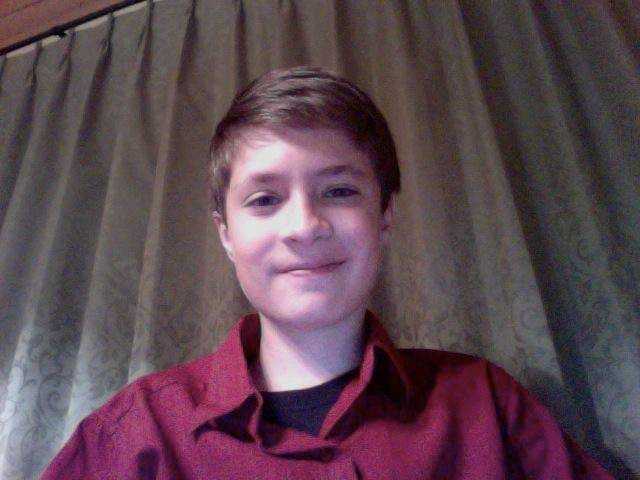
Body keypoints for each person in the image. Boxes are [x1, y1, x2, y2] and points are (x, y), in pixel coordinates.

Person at [40, 66, 614, 479]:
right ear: (226, 234)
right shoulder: (136, 434)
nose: (305, 226)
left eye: (338, 191)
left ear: (384, 216)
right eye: (265, 200)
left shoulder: (488, 405)